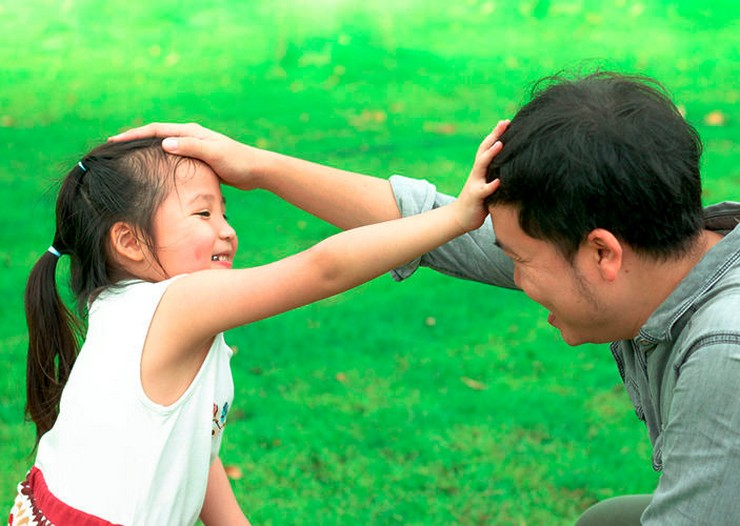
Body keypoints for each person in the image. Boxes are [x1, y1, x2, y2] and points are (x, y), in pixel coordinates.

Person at [113, 70, 740, 525]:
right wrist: (257, 166)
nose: (515, 278)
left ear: (601, 252)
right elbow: (431, 225)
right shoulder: (659, 252)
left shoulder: (737, 353)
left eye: (520, 260)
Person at [10, 129, 503, 526]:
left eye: (225, 211)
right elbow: (322, 268)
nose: (226, 229)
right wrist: (455, 217)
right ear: (130, 243)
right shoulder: (175, 305)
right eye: (203, 212)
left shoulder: (127, 308)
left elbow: (191, 445)